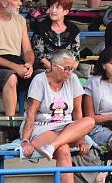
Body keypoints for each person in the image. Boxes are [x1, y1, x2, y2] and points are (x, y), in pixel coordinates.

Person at [19, 50, 94, 183]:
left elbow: (77, 112)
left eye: (72, 68)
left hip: (66, 127)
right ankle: (55, 145)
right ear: (53, 66)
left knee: (89, 121)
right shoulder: (39, 80)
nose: (69, 72)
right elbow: (31, 113)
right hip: (43, 127)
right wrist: (25, 140)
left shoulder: (73, 79)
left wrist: (81, 139)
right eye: (66, 68)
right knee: (64, 150)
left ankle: (52, 146)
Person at [30, 0, 81, 69]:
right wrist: (53, 69)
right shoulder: (41, 27)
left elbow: (76, 56)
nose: (53, 10)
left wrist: (68, 69)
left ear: (66, 12)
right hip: (46, 68)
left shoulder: (73, 29)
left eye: (58, 8)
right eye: (51, 7)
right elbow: (39, 55)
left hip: (67, 68)